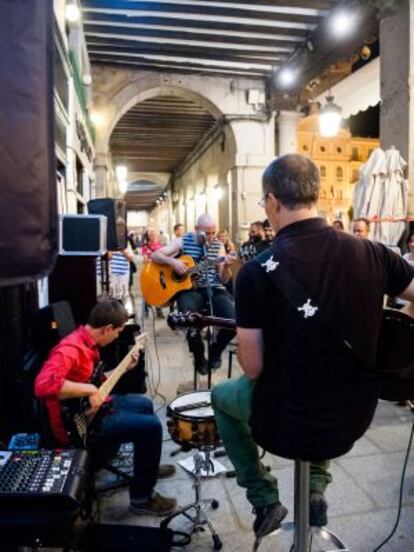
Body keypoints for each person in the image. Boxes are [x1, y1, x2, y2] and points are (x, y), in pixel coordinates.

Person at [211, 154, 414, 544]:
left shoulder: (255, 272)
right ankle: (315, 485)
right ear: (316, 195)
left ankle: (263, 497)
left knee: (221, 397)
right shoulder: (373, 253)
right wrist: (396, 329)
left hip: (286, 422)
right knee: (324, 378)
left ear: (272, 201)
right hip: (354, 414)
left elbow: (252, 368)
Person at [35, 299, 176, 515]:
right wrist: (90, 391)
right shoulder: (70, 349)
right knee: (151, 427)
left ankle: (147, 468)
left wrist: (125, 368)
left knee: (145, 405)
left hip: (93, 409)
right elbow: (43, 385)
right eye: (117, 331)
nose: (118, 336)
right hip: (78, 427)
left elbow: (96, 383)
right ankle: (141, 498)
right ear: (107, 329)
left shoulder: (89, 343)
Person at [152, 214, 236, 374]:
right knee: (188, 318)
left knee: (233, 321)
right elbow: (156, 255)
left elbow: (224, 280)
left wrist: (226, 267)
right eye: (207, 233)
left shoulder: (217, 245)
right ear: (197, 229)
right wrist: (174, 262)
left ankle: (215, 351)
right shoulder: (184, 240)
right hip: (189, 290)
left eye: (213, 232)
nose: (211, 237)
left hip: (214, 288)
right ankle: (198, 354)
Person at [141, 229, 165, 319]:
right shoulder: (145, 246)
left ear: (158, 235)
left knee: (159, 291)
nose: (153, 236)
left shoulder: (161, 246)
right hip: (148, 271)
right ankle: (146, 311)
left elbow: (164, 259)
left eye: (155, 234)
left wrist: (153, 259)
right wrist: (154, 259)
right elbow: (145, 260)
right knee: (147, 291)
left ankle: (159, 311)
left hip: (159, 271)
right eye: (151, 235)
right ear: (148, 236)